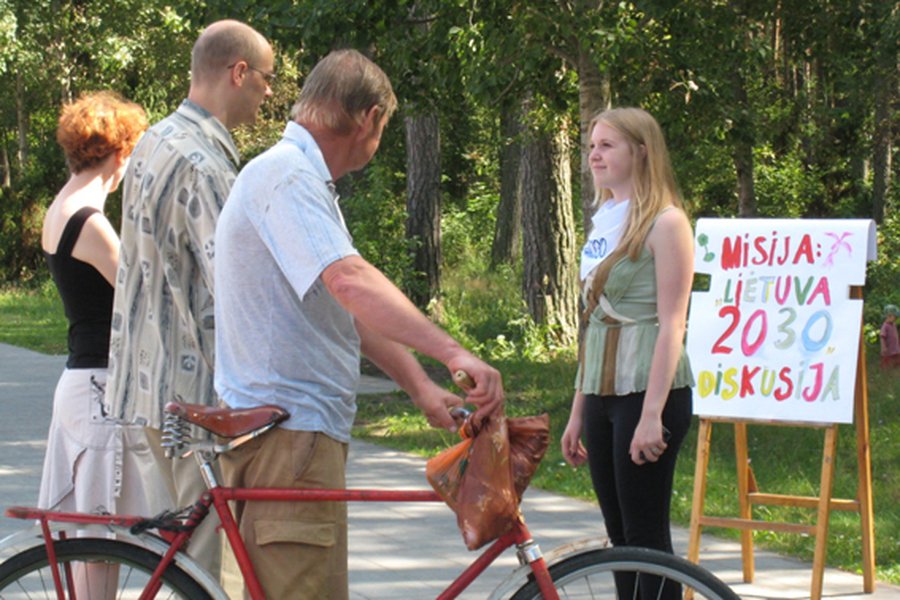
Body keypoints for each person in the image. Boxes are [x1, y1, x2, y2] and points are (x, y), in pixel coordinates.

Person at [214, 48, 505, 600]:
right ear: (369, 118)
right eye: (384, 128)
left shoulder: (294, 178)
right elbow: (350, 282)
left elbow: (340, 306)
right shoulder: (288, 177)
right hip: (289, 439)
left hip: (290, 436)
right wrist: (454, 353)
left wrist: (419, 385)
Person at [106, 19, 274, 578]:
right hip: (198, 396)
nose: (269, 92)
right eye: (266, 79)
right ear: (238, 72)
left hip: (148, 387)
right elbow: (236, 280)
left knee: (177, 565)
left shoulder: (153, 141)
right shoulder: (204, 163)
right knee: (207, 571)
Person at [560, 107, 695, 600]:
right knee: (619, 540)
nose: (594, 154)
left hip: (648, 389)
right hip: (601, 389)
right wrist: (578, 411)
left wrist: (652, 414)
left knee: (646, 536)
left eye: (607, 145)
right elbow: (593, 325)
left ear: (641, 151)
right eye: (592, 145)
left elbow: (672, 322)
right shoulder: (602, 221)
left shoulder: (666, 222)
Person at [39, 90, 148, 596]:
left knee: (92, 537)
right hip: (102, 390)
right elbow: (143, 300)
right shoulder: (93, 222)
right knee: (104, 542)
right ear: (121, 153)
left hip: (80, 385)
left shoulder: (60, 207)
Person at [880, 304, 900, 369]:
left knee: (897, 360)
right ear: (889, 316)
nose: (895, 319)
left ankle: (895, 369)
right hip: (888, 349)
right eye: (894, 317)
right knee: (887, 361)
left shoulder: (893, 325)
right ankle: (886, 371)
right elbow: (882, 337)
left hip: (895, 348)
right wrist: (883, 347)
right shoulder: (885, 326)